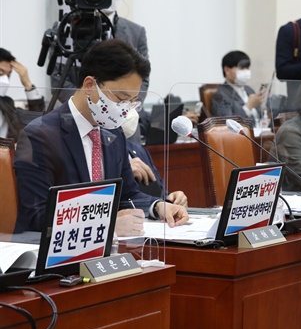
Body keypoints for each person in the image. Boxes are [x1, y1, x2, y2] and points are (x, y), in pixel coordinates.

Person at [14, 39, 188, 233]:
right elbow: (37, 214)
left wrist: (158, 206)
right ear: (90, 84)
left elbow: (126, 195)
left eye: (131, 102)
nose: (124, 109)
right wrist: (107, 225)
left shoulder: (113, 133)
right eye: (121, 99)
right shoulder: (40, 135)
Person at [51, 0, 151, 141]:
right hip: (76, 119)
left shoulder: (136, 31)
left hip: (123, 120)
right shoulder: (65, 29)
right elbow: (58, 82)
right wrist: (92, 105)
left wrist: (122, 106)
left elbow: (143, 79)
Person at [120, 108, 188, 207]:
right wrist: (122, 170)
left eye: (134, 103)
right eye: (123, 100)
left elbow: (158, 193)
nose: (131, 109)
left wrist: (171, 198)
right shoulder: (97, 152)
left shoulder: (139, 151)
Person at [0, 48, 45, 140]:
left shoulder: (7, 104)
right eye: (1, 73)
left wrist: (28, 85)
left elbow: (36, 126)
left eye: (8, 75)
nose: (5, 80)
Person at [211, 50, 264, 127]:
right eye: (242, 68)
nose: (246, 72)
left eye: (247, 68)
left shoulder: (249, 89)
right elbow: (227, 124)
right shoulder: (220, 95)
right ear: (227, 70)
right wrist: (248, 106)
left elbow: (260, 117)